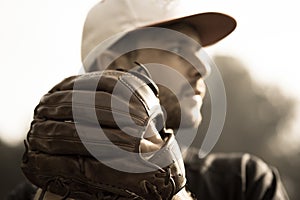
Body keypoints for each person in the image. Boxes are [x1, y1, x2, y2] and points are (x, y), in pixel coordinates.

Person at [9, 0, 289, 199]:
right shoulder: (33, 194)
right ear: (113, 65)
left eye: (201, 52)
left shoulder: (244, 182)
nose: (203, 68)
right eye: (179, 48)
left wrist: (172, 193)